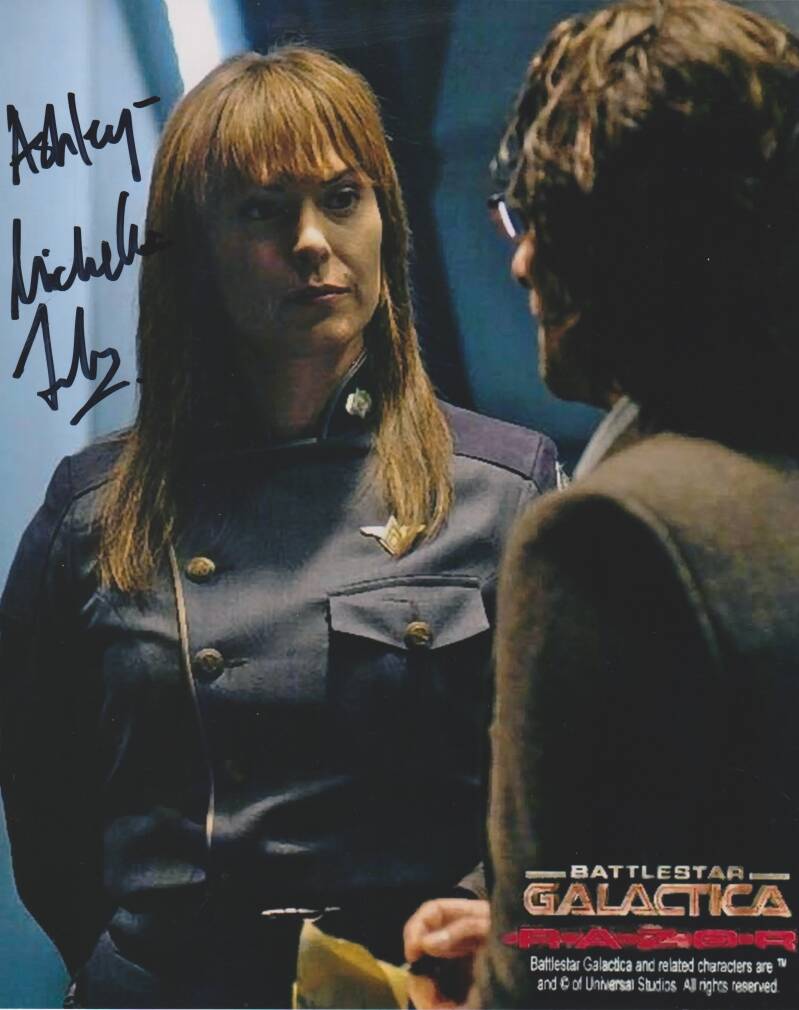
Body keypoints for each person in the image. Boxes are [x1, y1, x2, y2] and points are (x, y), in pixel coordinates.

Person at [0, 48, 558, 1009]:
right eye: (262, 211)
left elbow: (567, 789)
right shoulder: (92, 511)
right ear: (193, 251)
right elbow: (44, 807)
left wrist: (474, 937)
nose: (310, 241)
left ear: (385, 220)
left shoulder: (501, 490)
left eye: (342, 199)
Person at [404, 1, 799, 1006]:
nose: (520, 260)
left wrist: (519, 962)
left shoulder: (609, 536)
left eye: (540, 214)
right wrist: (574, 929)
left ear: (632, 236)